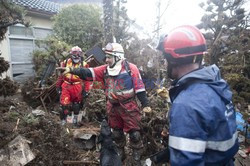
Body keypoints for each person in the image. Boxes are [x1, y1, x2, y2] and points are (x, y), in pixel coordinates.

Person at [156, 25, 239, 165]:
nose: (164, 64)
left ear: (173, 60)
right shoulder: (216, 84)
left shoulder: (186, 105)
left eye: (165, 59)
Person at [58, 43, 151, 164]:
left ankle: (136, 152)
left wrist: (145, 104)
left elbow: (140, 88)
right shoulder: (105, 69)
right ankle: (120, 151)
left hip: (129, 106)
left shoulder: (130, 68)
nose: (106, 60)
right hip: (112, 107)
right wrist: (71, 69)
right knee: (116, 133)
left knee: (135, 134)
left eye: (109, 57)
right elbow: (88, 73)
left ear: (117, 56)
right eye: (106, 57)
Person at [56, 46, 91, 126]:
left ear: (81, 55)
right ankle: (63, 120)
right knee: (64, 104)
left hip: (77, 86)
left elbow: (87, 79)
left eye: (78, 54)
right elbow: (61, 76)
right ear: (71, 55)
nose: (77, 56)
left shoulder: (84, 65)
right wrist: (58, 86)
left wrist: (86, 90)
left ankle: (75, 120)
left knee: (76, 104)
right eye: (74, 54)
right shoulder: (65, 63)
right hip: (66, 85)